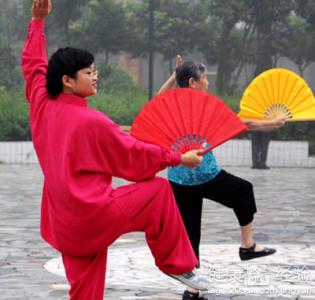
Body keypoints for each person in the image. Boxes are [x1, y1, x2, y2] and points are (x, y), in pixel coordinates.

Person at [22, 2, 209, 299]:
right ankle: (178, 265)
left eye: (95, 71)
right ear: (67, 81)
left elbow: (33, 66)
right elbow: (135, 155)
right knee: (159, 193)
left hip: (64, 221)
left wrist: (37, 22)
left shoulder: (41, 103)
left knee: (85, 293)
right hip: (94, 215)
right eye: (87, 72)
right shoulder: (93, 122)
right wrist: (180, 159)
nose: (95, 77)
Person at [158, 57, 285, 300]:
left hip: (179, 177)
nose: (207, 82)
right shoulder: (203, 105)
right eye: (204, 78)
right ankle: (247, 246)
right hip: (206, 174)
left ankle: (192, 289)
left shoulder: (172, 104)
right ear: (193, 82)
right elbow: (241, 123)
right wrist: (271, 122)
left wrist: (175, 77)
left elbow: (156, 101)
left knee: (190, 233)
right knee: (243, 191)